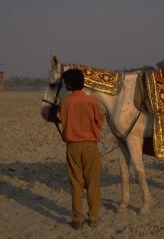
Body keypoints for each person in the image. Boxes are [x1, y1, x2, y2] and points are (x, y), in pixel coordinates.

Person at [60, 69, 104, 230]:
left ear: (70, 84)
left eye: (66, 82)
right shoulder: (91, 101)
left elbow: (64, 126)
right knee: (93, 183)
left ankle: (77, 219)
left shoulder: (64, 103)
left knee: (76, 183)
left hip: (72, 147)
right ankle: (93, 217)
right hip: (90, 147)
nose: (65, 85)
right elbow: (99, 122)